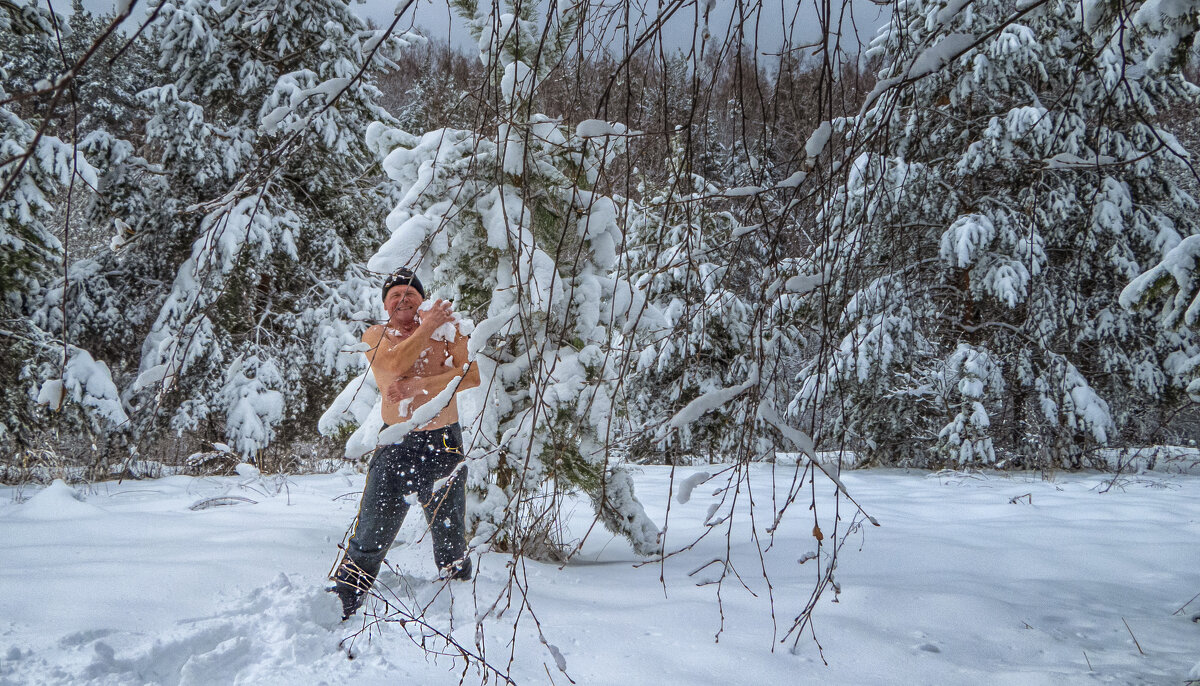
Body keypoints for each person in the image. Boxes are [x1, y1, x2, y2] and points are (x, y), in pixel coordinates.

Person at [331, 267, 481, 620]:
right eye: (394, 295)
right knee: (372, 526)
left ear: (422, 299)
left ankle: (457, 601)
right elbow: (394, 363)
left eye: (409, 294)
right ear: (385, 305)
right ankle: (346, 594)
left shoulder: (451, 330)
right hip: (396, 442)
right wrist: (427, 327)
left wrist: (416, 387)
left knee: (450, 532)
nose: (402, 299)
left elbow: (470, 375)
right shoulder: (376, 334)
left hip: (443, 441)